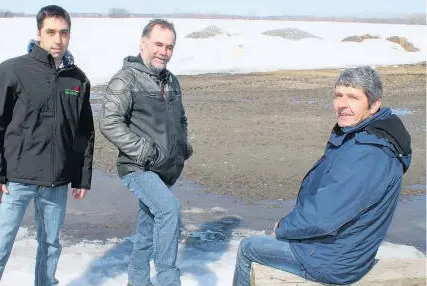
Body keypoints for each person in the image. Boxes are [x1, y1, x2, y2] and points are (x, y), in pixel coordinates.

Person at [232, 66, 412, 285]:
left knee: (248, 249)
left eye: (353, 97)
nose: (342, 105)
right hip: (344, 251)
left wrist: (283, 228)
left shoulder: (369, 152)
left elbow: (325, 218)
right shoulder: (364, 136)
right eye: (338, 95)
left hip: (333, 261)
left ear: (374, 105)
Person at [0, 5, 95, 286]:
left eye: (63, 33)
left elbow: (83, 133)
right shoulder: (13, 71)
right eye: (50, 32)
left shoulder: (77, 79)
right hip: (15, 181)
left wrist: (81, 177)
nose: (57, 39)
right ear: (39, 33)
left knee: (51, 246)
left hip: (57, 182)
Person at [99, 19, 193, 286]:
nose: (164, 51)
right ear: (143, 44)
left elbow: (181, 119)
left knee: (148, 227)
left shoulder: (171, 81)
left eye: (170, 46)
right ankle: (168, 280)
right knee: (169, 209)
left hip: (165, 168)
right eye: (158, 44)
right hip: (137, 167)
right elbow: (109, 122)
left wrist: (182, 147)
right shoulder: (126, 78)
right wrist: (145, 152)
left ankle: (137, 281)